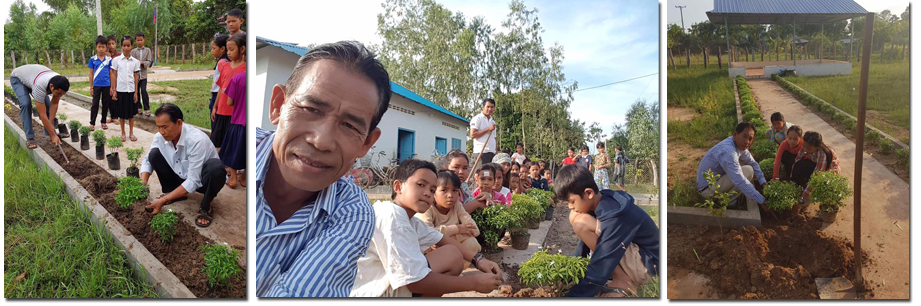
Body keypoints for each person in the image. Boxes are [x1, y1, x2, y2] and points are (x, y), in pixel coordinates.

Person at [255, 41, 390, 297]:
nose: (321, 141)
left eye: (350, 126)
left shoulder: (352, 214)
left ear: (366, 143)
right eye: (311, 109)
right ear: (277, 105)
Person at [350, 159, 502, 297]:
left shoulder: (408, 218)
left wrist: (479, 260)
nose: (427, 193)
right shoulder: (392, 217)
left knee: (452, 255)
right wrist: (474, 283)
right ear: (398, 186)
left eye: (432, 189)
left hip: (390, 285)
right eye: (421, 185)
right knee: (443, 263)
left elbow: (442, 239)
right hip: (377, 292)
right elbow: (414, 283)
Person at [555, 165, 659, 297]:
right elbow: (583, 248)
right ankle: (621, 277)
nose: (570, 206)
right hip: (635, 256)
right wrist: (567, 276)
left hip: (648, 265)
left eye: (572, 201)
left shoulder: (615, 215)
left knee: (581, 222)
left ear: (589, 193)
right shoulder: (602, 202)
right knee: (575, 216)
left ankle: (623, 281)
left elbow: (602, 261)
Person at [141, 104, 225, 228]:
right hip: (180, 175)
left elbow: (193, 180)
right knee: (154, 154)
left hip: (203, 181)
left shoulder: (196, 140)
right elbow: (147, 160)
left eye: (164, 127)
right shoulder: (160, 137)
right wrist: (143, 183)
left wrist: (163, 200)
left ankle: (206, 206)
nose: (161, 132)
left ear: (179, 123)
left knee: (215, 168)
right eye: (158, 127)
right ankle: (173, 193)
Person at [696, 122, 767, 208]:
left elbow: (752, 162)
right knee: (748, 171)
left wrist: (763, 183)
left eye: (750, 139)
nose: (747, 142)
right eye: (744, 136)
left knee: (747, 166)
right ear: (735, 134)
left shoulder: (738, 145)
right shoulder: (729, 151)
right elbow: (739, 180)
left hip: (715, 182)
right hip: (707, 190)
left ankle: (725, 198)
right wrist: (761, 200)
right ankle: (728, 203)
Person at [416, 170, 482, 259]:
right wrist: (458, 229)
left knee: (472, 243)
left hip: (450, 250)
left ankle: (455, 267)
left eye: (455, 190)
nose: (450, 195)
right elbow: (426, 235)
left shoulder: (457, 205)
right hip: (431, 256)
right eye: (444, 190)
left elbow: (475, 230)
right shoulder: (427, 208)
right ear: (434, 192)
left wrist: (443, 239)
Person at [9, 64, 70, 148]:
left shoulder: (59, 82)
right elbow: (42, 114)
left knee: (48, 105)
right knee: (26, 104)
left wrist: (51, 130)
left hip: (33, 78)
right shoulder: (40, 86)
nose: (60, 96)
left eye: (62, 94)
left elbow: (54, 104)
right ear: (51, 86)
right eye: (59, 93)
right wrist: (53, 135)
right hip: (18, 78)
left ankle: (49, 132)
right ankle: (30, 138)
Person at [211, 32, 247, 151]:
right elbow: (221, 88)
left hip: (234, 114)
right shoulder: (225, 66)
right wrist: (215, 107)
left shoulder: (245, 69)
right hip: (221, 110)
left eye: (232, 49)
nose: (228, 53)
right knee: (216, 143)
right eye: (227, 50)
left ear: (242, 49)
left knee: (231, 145)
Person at [790, 131, 840, 215]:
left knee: (821, 183)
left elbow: (815, 178)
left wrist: (801, 200)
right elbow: (797, 161)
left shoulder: (822, 154)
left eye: (809, 149)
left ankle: (808, 194)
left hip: (828, 170)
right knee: (800, 164)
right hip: (814, 163)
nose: (805, 150)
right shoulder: (805, 145)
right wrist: (792, 179)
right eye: (804, 146)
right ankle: (801, 186)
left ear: (817, 147)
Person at [109, 35, 141, 142]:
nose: (126, 48)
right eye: (124, 45)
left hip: (131, 91)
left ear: (132, 46)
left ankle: (131, 133)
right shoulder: (116, 60)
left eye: (128, 45)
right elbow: (114, 75)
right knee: (121, 114)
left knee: (131, 114)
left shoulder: (135, 62)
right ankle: (123, 133)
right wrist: (114, 90)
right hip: (120, 91)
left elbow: (136, 77)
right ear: (121, 46)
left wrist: (136, 92)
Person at [220, 70, 247, 189]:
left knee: (233, 149)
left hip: (239, 120)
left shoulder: (238, 78)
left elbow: (229, 102)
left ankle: (233, 178)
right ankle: (245, 178)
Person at [442, 149, 488, 214]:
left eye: (465, 168)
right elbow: (454, 213)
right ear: (445, 168)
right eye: (456, 167)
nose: (461, 172)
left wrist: (484, 196)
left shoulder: (463, 186)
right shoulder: (443, 188)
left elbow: (470, 201)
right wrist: (476, 203)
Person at [87, 35, 113, 131]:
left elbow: (111, 73)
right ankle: (92, 123)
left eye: (103, 47)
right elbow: (91, 74)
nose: (101, 49)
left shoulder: (109, 60)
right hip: (96, 85)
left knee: (105, 104)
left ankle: (103, 122)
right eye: (99, 47)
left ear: (106, 47)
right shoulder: (93, 59)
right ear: (96, 47)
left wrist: (112, 87)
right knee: (95, 104)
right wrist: (91, 87)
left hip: (106, 85)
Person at [208, 34, 230, 129]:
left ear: (222, 49)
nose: (212, 51)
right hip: (219, 95)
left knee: (215, 124)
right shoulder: (225, 61)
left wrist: (215, 105)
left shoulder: (222, 62)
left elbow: (224, 82)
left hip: (217, 96)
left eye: (214, 48)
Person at [130, 32, 153, 117]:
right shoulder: (133, 51)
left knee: (143, 90)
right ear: (135, 41)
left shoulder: (147, 50)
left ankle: (147, 108)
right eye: (138, 40)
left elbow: (149, 61)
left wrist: (142, 63)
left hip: (143, 75)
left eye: (141, 40)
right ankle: (138, 107)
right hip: (135, 75)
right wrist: (136, 64)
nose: (139, 42)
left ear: (144, 40)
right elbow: (131, 62)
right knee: (136, 91)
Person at [469, 98, 498, 164]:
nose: (490, 109)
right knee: (480, 170)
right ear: (483, 107)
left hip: (492, 153)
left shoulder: (493, 122)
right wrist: (488, 129)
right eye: (488, 107)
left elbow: (494, 138)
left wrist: (496, 151)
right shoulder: (477, 118)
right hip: (481, 153)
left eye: (492, 107)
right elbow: (472, 135)